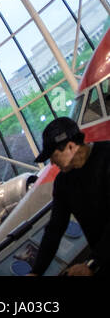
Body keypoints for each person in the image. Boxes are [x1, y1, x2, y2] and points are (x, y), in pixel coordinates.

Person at [28, 117, 109, 276]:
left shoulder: (106, 157)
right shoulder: (63, 182)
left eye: (53, 155)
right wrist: (36, 271)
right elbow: (55, 228)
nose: (52, 163)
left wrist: (93, 263)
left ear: (70, 147)